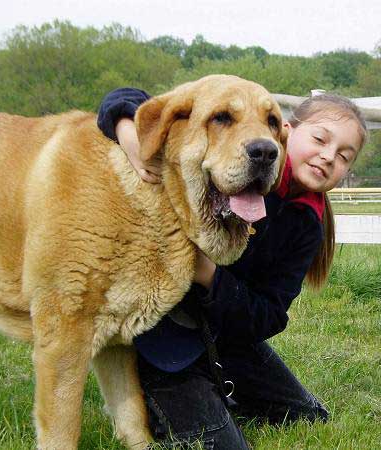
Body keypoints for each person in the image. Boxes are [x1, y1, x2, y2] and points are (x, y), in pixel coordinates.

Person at [97, 87, 367, 449]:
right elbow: (126, 98)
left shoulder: (307, 225)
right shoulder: (242, 142)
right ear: (282, 131)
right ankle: (151, 394)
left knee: (307, 415)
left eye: (344, 156)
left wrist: (207, 275)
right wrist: (132, 135)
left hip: (228, 336)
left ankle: (216, 387)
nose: (328, 156)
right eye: (319, 138)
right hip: (164, 334)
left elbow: (269, 315)